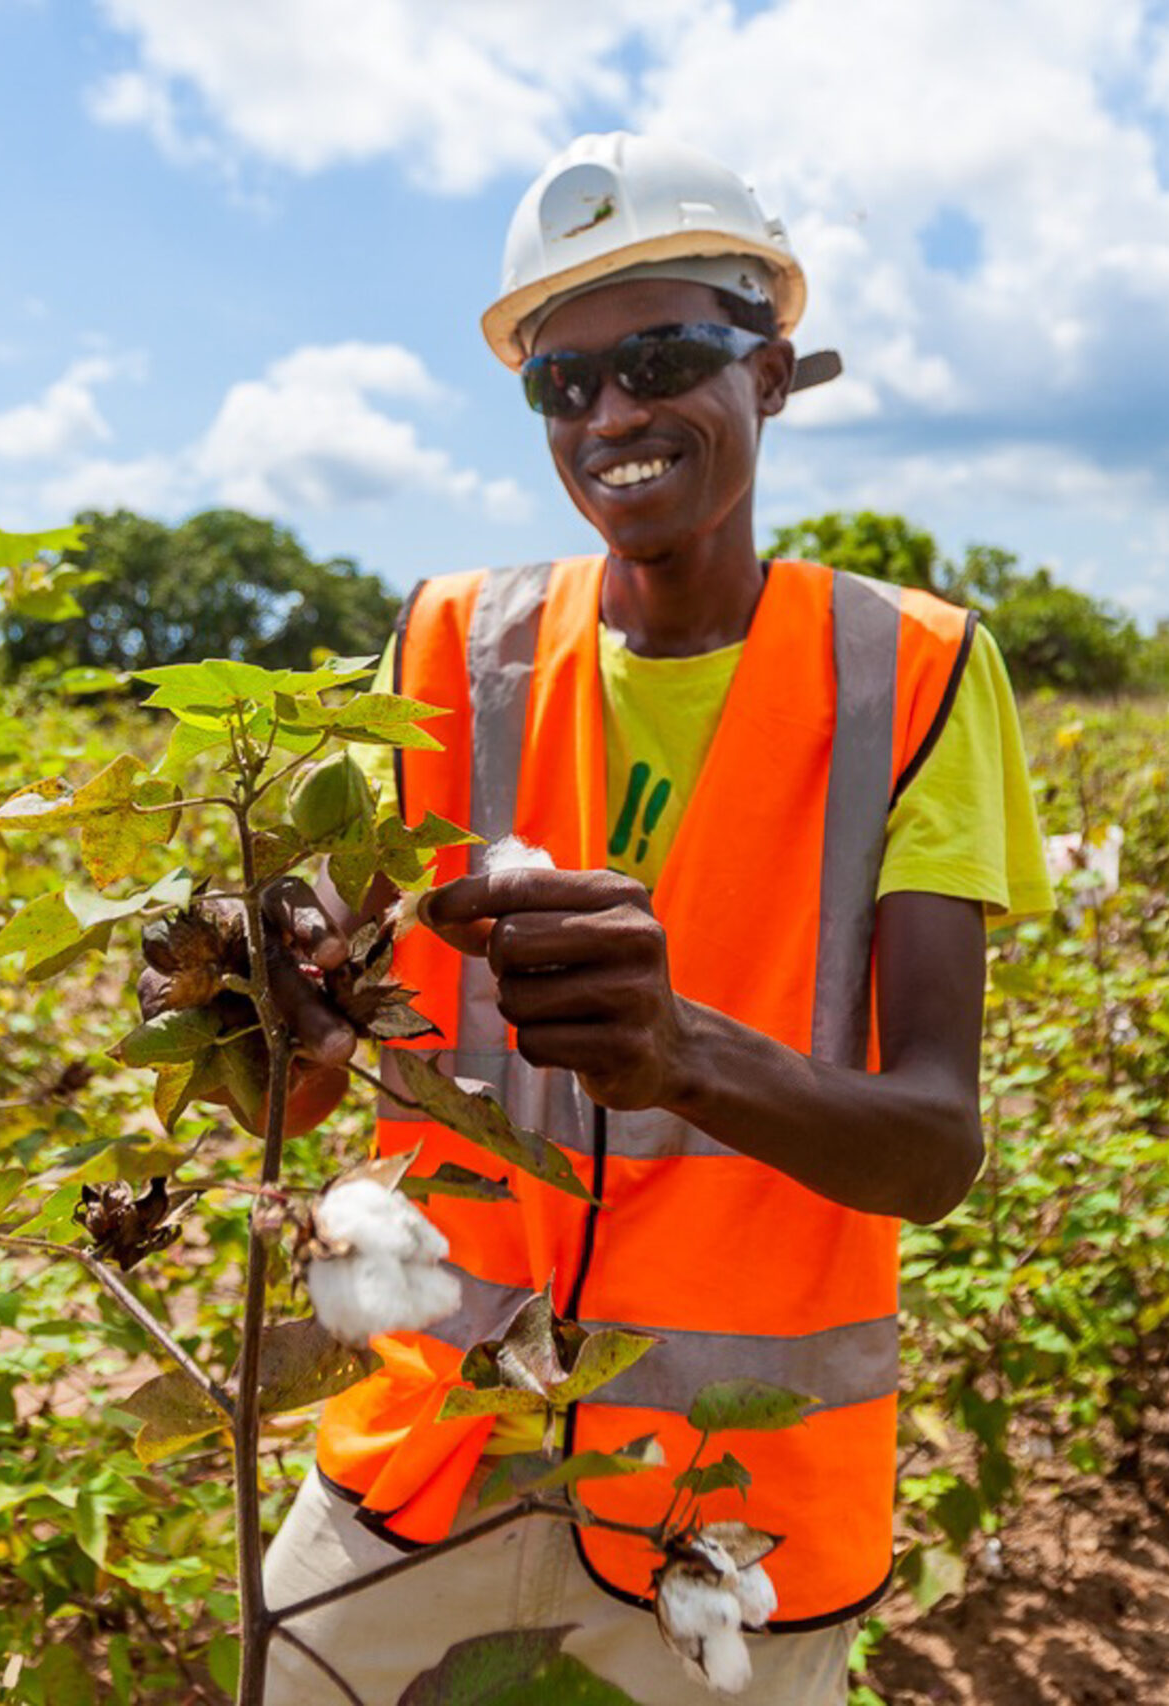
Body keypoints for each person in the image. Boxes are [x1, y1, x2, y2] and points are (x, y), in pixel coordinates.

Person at [218, 133, 1052, 1704]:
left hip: (725, 1521)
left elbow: (936, 1152)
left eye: (662, 358)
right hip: (430, 1448)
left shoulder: (916, 673)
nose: (610, 414)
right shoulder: (455, 641)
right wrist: (259, 1008)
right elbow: (308, 1078)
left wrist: (681, 1055)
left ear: (776, 373)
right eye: (562, 381)